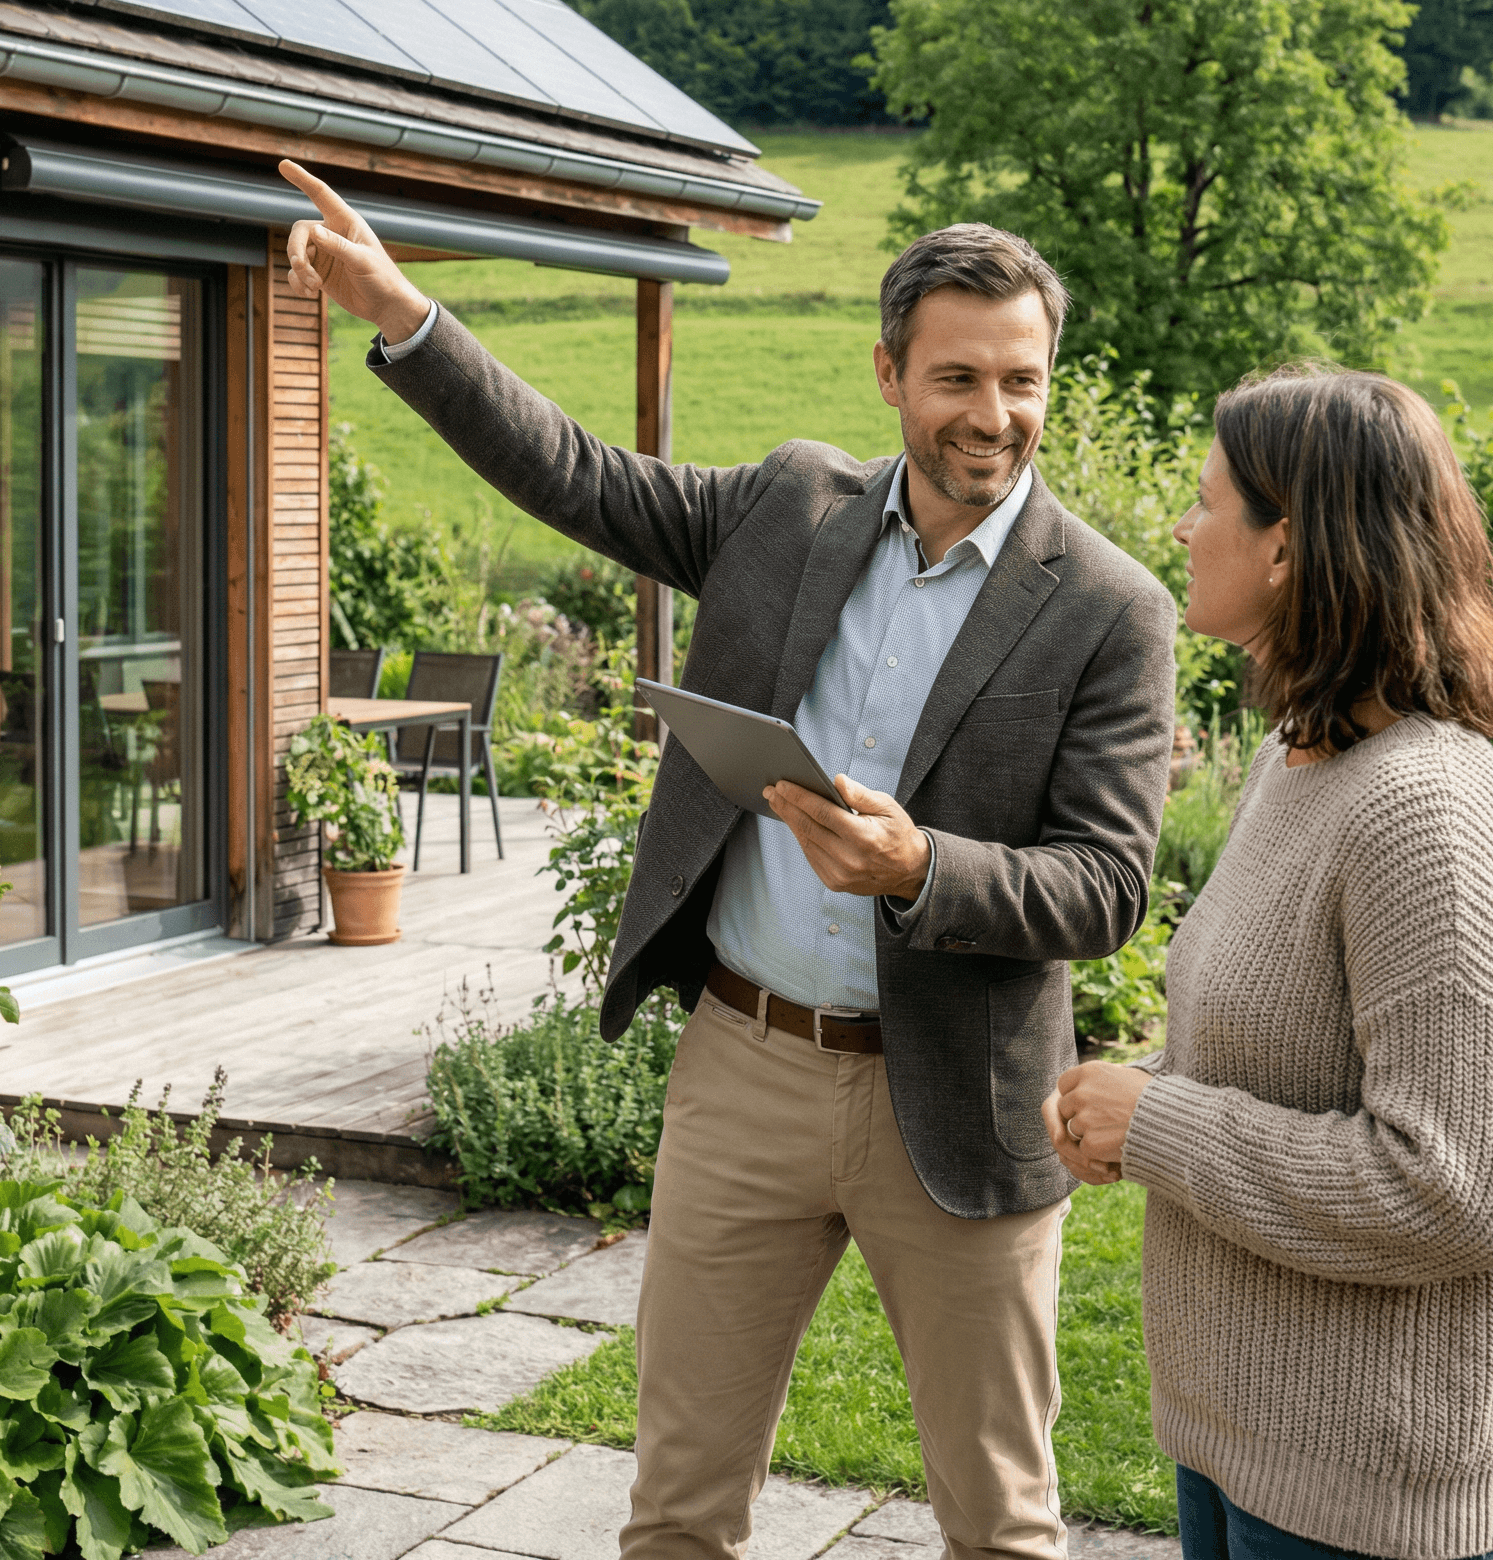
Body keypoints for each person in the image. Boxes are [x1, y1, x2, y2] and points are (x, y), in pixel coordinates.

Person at [279, 158, 1178, 1560]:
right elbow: (577, 477)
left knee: (1000, 1524)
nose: (993, 417)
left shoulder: (1111, 609)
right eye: (957, 379)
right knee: (679, 1513)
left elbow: (1108, 886)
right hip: (745, 1071)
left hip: (957, 1098)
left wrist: (921, 867)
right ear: (890, 372)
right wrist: (407, 318)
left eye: (1023, 380)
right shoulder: (791, 510)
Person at [1049, 367, 1493, 1560]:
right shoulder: (1304, 758)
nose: (1180, 524)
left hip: (1361, 1490)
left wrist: (1160, 1123)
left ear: (1288, 547)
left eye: (1207, 498)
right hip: (1240, 1439)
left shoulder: (1420, 809)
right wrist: (1137, 1097)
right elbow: (1288, 1044)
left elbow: (1456, 1185)